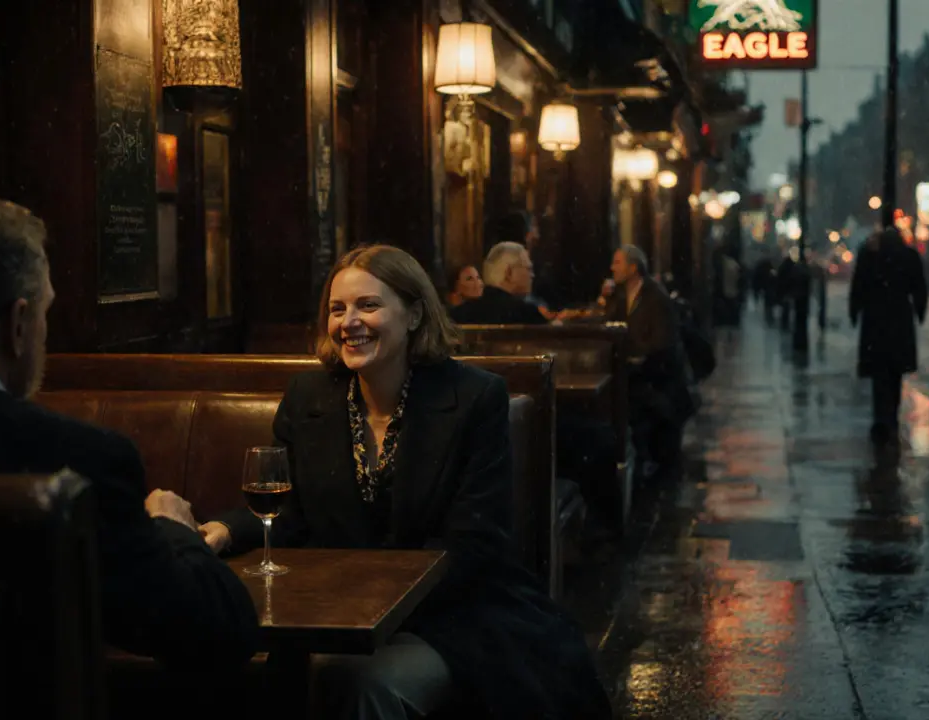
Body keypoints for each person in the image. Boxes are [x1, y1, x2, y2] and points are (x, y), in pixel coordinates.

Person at [199, 245, 611, 719]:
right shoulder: (308, 396)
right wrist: (227, 530)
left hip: (451, 616)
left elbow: (474, 544)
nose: (348, 322)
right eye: (337, 309)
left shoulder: (474, 398)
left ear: (415, 314)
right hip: (337, 620)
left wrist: (373, 604)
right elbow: (288, 512)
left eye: (368, 306)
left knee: (355, 682)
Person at [0, 196, 259, 670]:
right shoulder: (77, 459)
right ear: (18, 325)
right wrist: (170, 528)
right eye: (44, 313)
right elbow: (218, 630)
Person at [606, 245, 693, 474]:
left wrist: (634, 355)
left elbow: (663, 343)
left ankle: (645, 461)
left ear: (633, 268)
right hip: (636, 372)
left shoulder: (655, 297)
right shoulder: (621, 293)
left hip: (659, 378)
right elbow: (612, 327)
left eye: (617, 263)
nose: (611, 268)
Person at [849, 227, 928, 444]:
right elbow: (919, 287)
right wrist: (920, 311)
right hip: (900, 321)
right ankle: (891, 416)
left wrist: (854, 311)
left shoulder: (870, 256)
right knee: (895, 374)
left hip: (875, 321)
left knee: (879, 375)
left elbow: (858, 286)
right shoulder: (909, 256)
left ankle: (881, 418)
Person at [449, 241, 549, 325]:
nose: (532, 275)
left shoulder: (457, 315)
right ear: (509, 273)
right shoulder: (527, 314)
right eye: (528, 269)